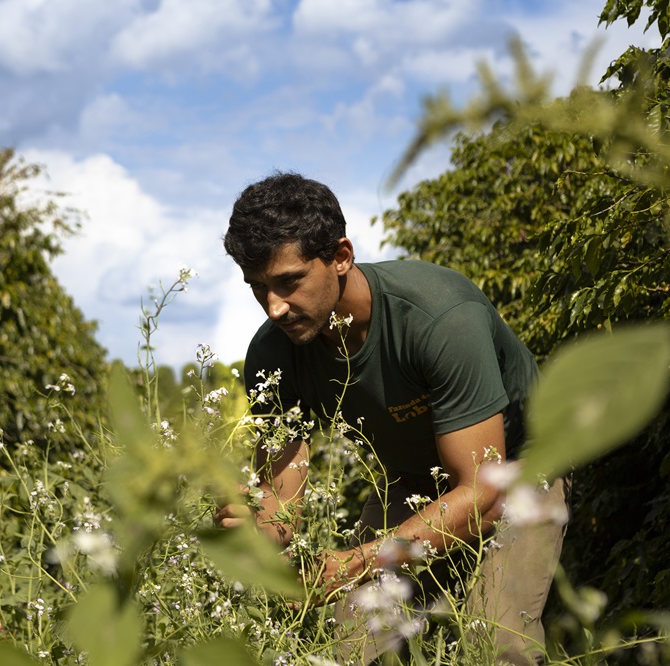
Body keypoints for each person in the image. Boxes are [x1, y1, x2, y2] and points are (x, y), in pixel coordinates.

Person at [214, 172, 567, 665]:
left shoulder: (440, 317)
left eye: (288, 282)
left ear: (340, 256)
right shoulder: (273, 354)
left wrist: (354, 563)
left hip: (515, 473)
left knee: (497, 643)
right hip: (412, 481)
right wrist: (258, 532)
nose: (274, 307)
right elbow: (279, 500)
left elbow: (483, 495)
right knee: (344, 643)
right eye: (258, 288)